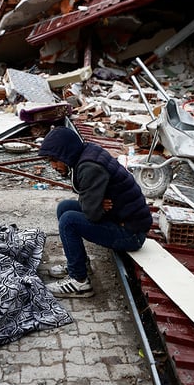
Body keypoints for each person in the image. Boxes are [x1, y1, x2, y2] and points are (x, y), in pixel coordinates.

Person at [38, 126, 152, 298]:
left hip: (131, 234)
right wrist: (95, 203)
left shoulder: (89, 167)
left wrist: (94, 205)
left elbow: (92, 215)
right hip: (120, 219)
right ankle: (79, 263)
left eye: (54, 160)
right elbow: (88, 202)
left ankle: (79, 281)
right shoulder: (86, 153)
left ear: (65, 153)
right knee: (65, 207)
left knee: (69, 220)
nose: (53, 166)